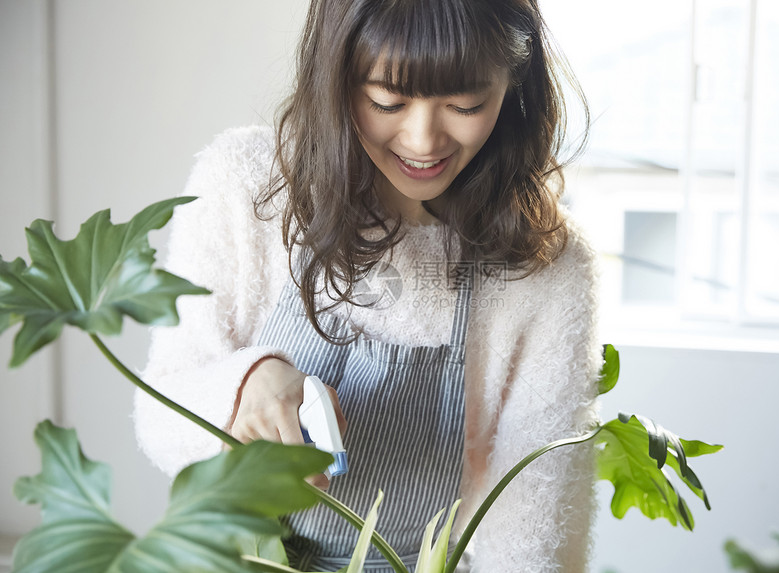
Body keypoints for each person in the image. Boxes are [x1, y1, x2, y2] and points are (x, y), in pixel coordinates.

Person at [133, 0, 602, 571]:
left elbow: (536, 522)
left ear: (514, 80)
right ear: (336, 73)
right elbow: (159, 416)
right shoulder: (244, 186)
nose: (424, 139)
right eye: (388, 100)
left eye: (465, 104)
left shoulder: (547, 264)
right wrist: (245, 389)